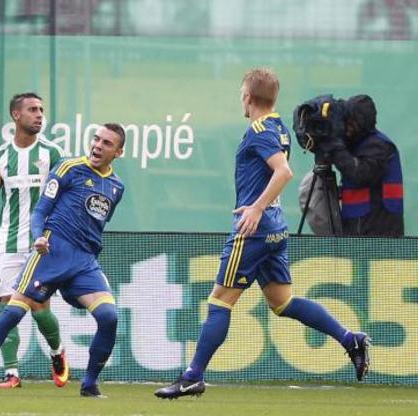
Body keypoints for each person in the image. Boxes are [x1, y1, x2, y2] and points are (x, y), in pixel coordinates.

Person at [155, 68, 371, 400]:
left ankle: (192, 376)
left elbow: (284, 172)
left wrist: (255, 208)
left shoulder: (258, 130)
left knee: (218, 302)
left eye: (241, 93)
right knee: (283, 302)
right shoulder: (278, 126)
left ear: (247, 96)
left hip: (254, 230)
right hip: (274, 228)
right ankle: (349, 339)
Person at [0, 123, 126, 398]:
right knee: (12, 312)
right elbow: (40, 210)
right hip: (49, 253)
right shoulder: (69, 169)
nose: (97, 145)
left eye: (106, 143)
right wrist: (38, 237)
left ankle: (89, 385)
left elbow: (96, 225)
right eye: (96, 139)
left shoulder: (116, 186)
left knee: (109, 316)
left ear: (118, 152)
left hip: (83, 263)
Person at [0, 92, 68, 389]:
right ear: (16, 115)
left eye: (41, 109)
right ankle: (11, 373)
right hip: (5, 244)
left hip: (40, 245)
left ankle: (57, 352)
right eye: (32, 110)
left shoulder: (52, 154)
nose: (39, 114)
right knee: (6, 310)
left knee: (40, 309)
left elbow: (63, 200)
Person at [329, 94, 403, 237]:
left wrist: (334, 147)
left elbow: (359, 174)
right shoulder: (357, 144)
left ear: (360, 123)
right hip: (360, 229)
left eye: (350, 122)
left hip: (379, 233)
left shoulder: (380, 146)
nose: (346, 127)